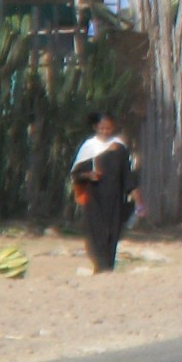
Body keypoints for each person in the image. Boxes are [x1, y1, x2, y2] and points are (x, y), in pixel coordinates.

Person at [71, 112, 138, 274]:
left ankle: (108, 267)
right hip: (93, 198)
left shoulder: (118, 148)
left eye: (108, 128)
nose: (105, 131)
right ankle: (99, 266)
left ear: (112, 128)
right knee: (96, 233)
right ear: (95, 127)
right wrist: (89, 175)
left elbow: (127, 174)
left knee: (113, 232)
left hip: (115, 198)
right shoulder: (88, 147)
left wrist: (134, 193)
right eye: (101, 128)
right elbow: (76, 174)